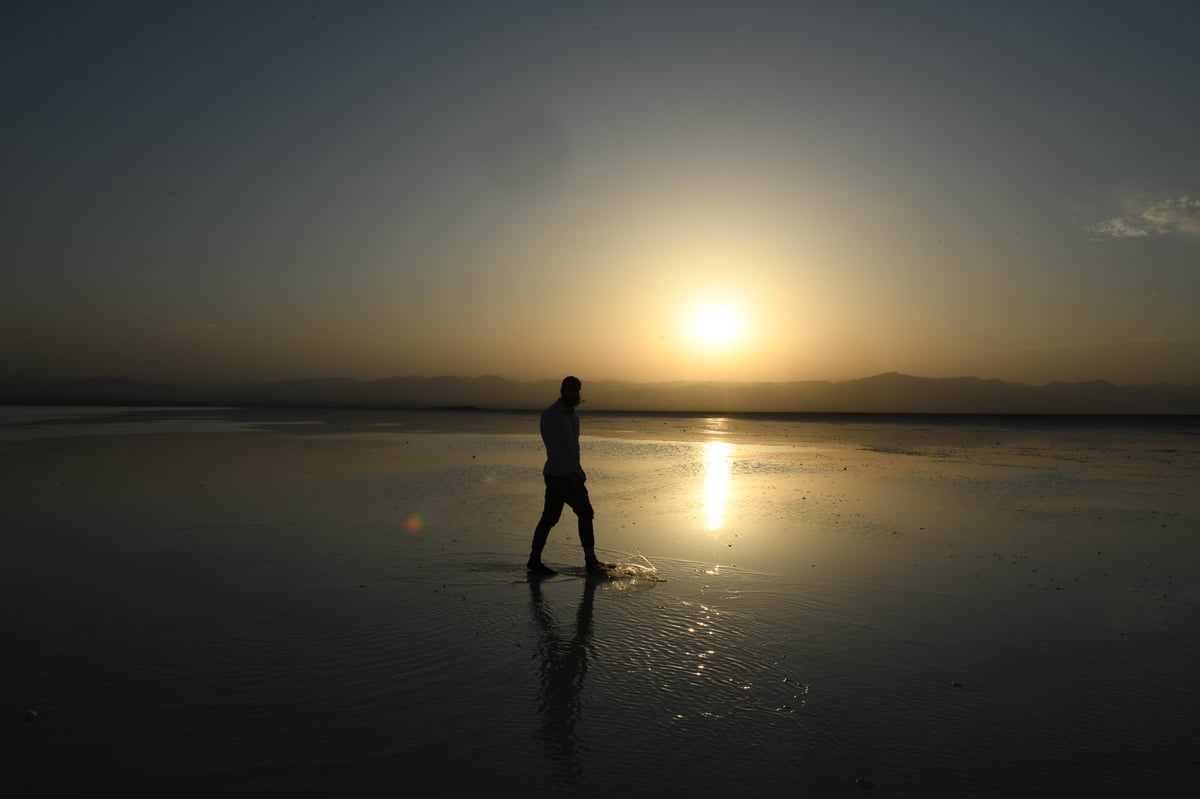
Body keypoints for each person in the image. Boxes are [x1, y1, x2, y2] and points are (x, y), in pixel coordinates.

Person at [527, 376, 607, 576]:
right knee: (551, 518)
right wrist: (569, 474)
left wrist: (578, 470)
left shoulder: (572, 416)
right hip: (558, 477)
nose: (575, 394)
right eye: (571, 390)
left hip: (572, 475)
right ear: (562, 390)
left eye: (578, 391)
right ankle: (535, 560)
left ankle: (590, 559)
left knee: (583, 513)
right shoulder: (552, 415)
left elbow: (572, 449)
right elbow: (554, 450)